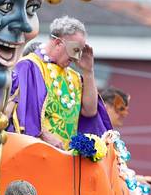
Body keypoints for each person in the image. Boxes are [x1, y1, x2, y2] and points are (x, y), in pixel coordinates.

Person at [9, 16, 112, 149]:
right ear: (58, 43)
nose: (77, 56)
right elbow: (21, 112)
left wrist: (88, 71)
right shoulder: (29, 66)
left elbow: (90, 111)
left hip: (66, 159)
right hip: (38, 153)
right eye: (75, 50)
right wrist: (43, 135)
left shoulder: (74, 77)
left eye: (81, 51)